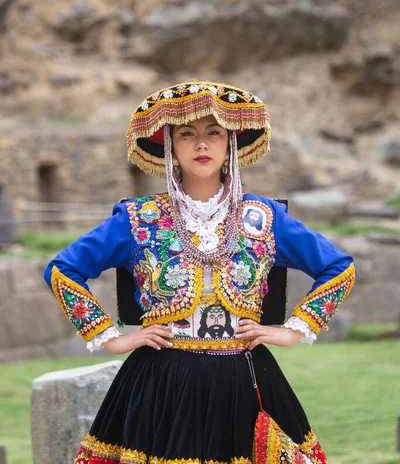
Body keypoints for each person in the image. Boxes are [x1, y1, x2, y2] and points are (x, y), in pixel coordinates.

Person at [44, 80, 356, 464]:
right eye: (187, 134)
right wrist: (110, 337)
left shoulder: (265, 217)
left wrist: (293, 330)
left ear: (231, 144)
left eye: (214, 133)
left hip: (245, 376)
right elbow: (63, 270)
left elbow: (339, 268)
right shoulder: (138, 219)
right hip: (161, 383)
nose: (201, 144)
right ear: (171, 145)